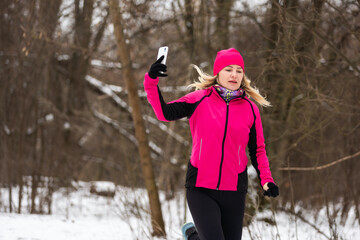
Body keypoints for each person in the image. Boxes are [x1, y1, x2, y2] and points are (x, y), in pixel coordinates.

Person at [144, 48, 279, 240]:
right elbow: (164, 113)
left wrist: (267, 180)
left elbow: (257, 150)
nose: (234, 74)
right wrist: (151, 81)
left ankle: (192, 237)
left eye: (239, 70)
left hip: (234, 191)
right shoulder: (199, 99)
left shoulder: (250, 109)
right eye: (228, 69)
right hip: (201, 188)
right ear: (218, 73)